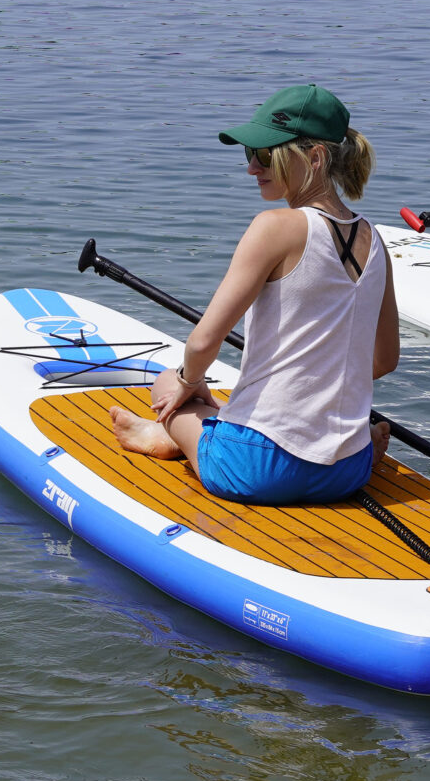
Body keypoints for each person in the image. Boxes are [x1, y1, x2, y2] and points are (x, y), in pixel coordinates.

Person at [111, 86, 398, 507]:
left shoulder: (274, 227)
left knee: (168, 381)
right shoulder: (378, 243)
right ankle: (353, 446)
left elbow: (202, 343)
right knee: (230, 401)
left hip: (257, 470)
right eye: (249, 153)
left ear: (314, 158)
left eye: (265, 154)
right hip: (346, 471)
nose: (251, 167)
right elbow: (384, 361)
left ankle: (167, 434)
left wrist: (190, 382)